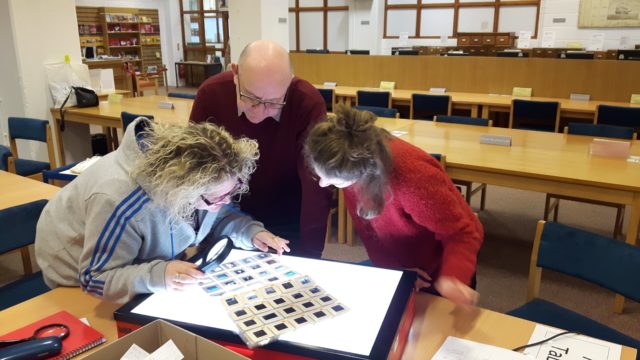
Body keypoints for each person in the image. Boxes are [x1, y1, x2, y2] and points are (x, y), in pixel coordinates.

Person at [35, 118, 289, 304]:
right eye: (217, 198)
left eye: (232, 191)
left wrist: (250, 231)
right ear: (182, 192)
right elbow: (95, 277)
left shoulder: (202, 177)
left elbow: (214, 216)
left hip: (131, 257)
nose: (227, 202)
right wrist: (158, 274)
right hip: (73, 270)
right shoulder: (118, 200)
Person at [304, 105, 484, 305]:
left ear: (365, 173)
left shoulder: (413, 179)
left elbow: (463, 232)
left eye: (335, 181)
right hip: (406, 270)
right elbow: (368, 229)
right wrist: (394, 268)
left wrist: (454, 278)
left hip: (441, 272)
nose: (323, 184)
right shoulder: (349, 157)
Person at [190, 40, 332, 259]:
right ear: (235, 72)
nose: (260, 111)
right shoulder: (211, 93)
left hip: (286, 213)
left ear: (289, 83)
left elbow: (316, 186)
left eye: (274, 102)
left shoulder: (307, 102)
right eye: (250, 97)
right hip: (224, 212)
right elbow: (194, 169)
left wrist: (312, 252)